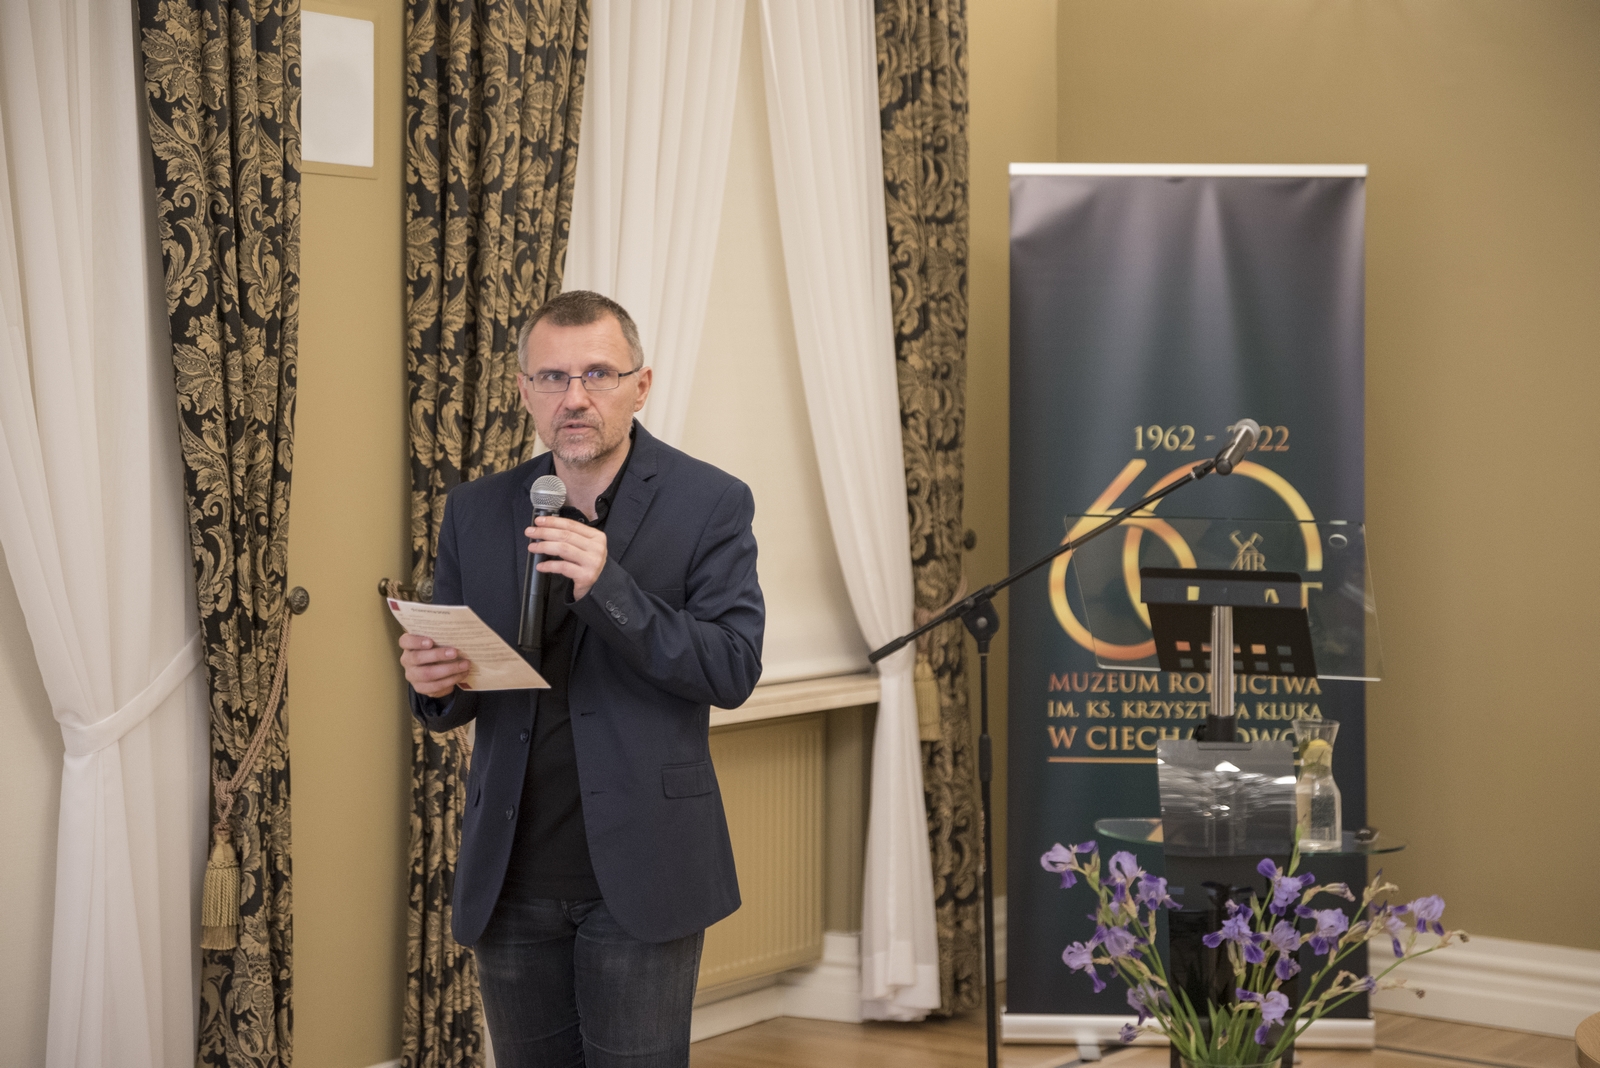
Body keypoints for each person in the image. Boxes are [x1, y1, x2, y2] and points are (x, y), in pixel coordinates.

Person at [398, 290, 764, 1068]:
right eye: (552, 377)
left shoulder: (710, 503)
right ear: (524, 390)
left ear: (641, 385)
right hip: (512, 872)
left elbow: (732, 667)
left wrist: (611, 588)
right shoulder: (476, 510)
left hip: (643, 869)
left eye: (598, 374)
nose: (574, 397)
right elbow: (459, 691)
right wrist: (434, 680)